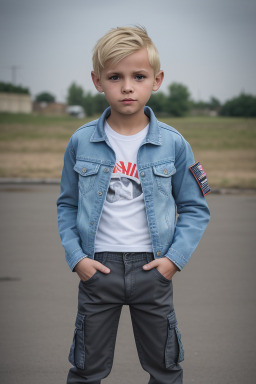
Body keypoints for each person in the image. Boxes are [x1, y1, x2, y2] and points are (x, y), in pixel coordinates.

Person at [57, 26, 210, 384]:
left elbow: (195, 207)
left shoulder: (173, 144)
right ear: (97, 81)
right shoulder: (81, 141)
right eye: (115, 76)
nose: (127, 86)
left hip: (152, 270)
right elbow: (67, 204)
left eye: (138, 76)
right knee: (86, 368)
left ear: (156, 80)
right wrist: (77, 258)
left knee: (166, 368)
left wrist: (173, 261)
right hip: (99, 269)